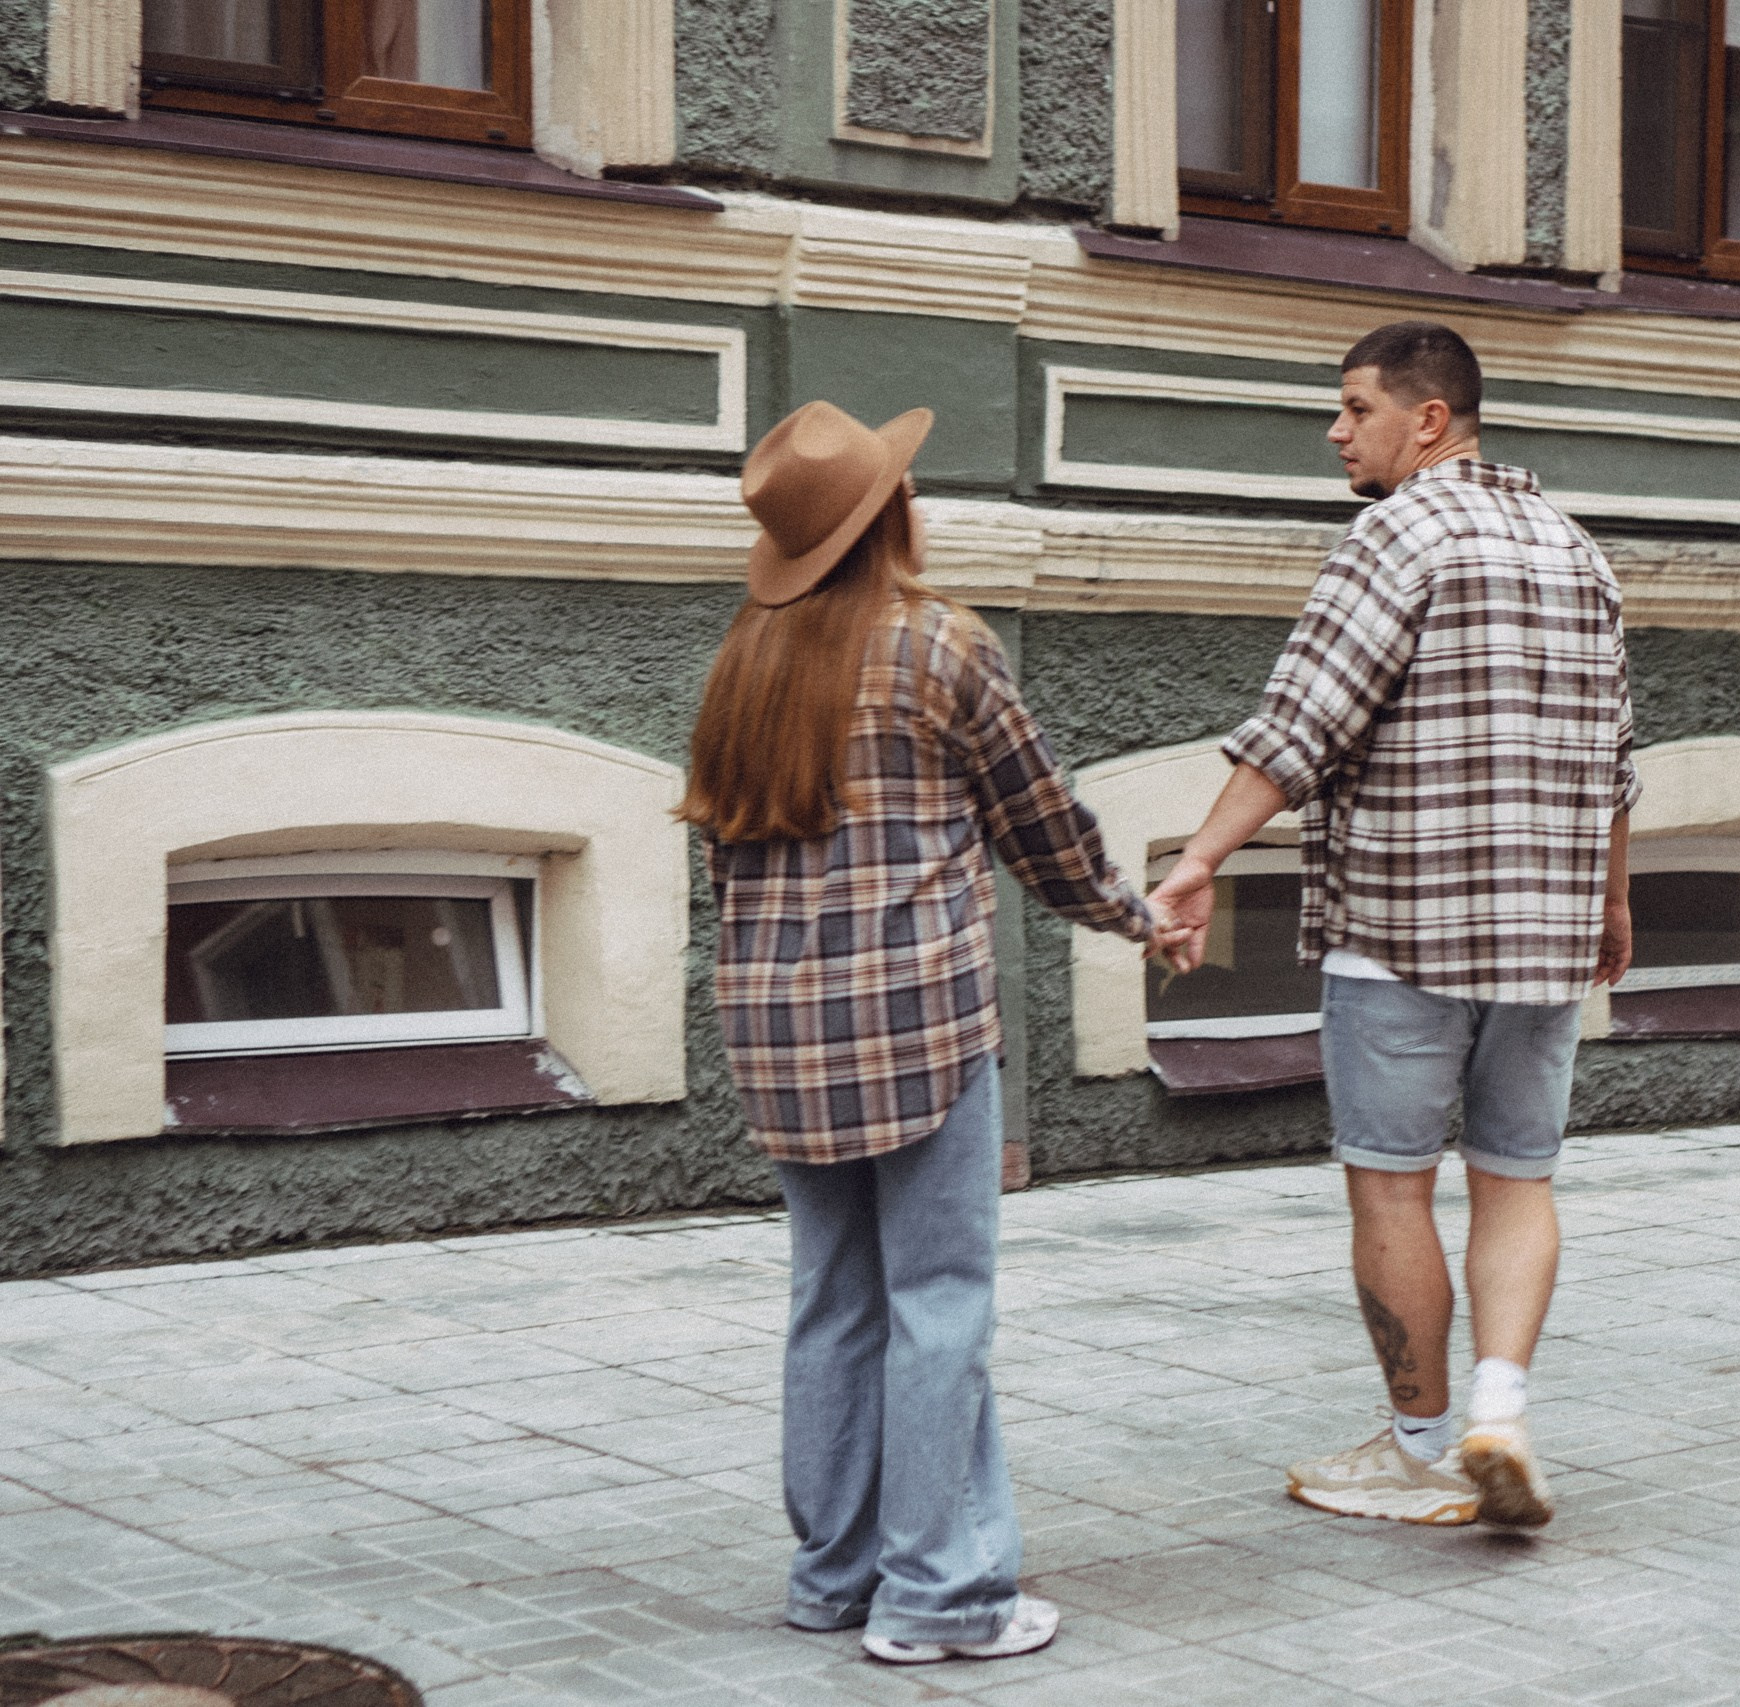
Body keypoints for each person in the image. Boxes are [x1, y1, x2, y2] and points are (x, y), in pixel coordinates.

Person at [681, 401, 1171, 1663]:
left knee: (831, 1303)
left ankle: (832, 1578)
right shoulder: (940, 646)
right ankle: (941, 1598)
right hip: (916, 1024)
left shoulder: (745, 658)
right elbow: (1040, 825)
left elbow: (722, 873)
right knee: (940, 1302)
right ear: (890, 511)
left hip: (779, 1032)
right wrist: (1132, 915)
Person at [1148, 321, 1637, 1530]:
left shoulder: (1395, 534)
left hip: (1404, 930)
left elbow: (1303, 722)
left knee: (1393, 1190)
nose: (1335, 429)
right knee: (1517, 1179)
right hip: (1543, 936)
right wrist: (1614, 901)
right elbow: (1614, 759)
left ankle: (1422, 1453)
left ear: (1428, 420)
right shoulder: (1577, 551)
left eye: (1353, 406)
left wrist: (1201, 858)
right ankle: (1501, 1411)